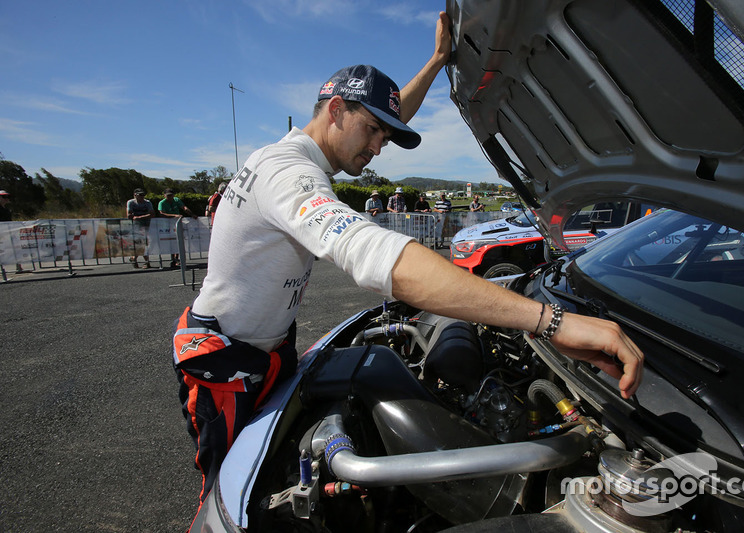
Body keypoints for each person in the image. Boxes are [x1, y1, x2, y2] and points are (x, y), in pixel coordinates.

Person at [171, 11, 643, 513]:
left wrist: (438, 60)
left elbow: (389, 117)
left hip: (265, 347)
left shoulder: (291, 155)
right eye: (373, 131)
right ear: (335, 110)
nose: (379, 148)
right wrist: (551, 322)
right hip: (226, 363)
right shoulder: (288, 176)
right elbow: (376, 255)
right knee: (233, 499)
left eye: (384, 136)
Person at [158, 188, 196, 268]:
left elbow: (184, 207)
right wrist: (174, 215)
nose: (170, 197)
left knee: (178, 240)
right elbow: (162, 214)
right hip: (167, 225)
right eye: (168, 196)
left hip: (176, 224)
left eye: (171, 195)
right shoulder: (162, 203)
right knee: (171, 242)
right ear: (164, 195)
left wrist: (191, 214)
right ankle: (173, 259)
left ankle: (176, 258)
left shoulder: (176, 200)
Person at [126, 188, 155, 268]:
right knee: (139, 244)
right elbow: (129, 215)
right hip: (135, 227)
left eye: (143, 195)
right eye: (140, 195)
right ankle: (143, 261)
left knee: (145, 244)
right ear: (135, 195)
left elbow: (152, 214)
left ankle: (135, 258)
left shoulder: (147, 202)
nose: (142, 197)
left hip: (146, 226)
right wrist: (139, 217)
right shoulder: (131, 202)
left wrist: (139, 217)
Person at [0, 190, 24, 273]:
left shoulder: (6, 209)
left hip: (8, 231)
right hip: (2, 233)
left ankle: (19, 266)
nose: (6, 199)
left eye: (7, 197)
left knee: (15, 248)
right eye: (4, 197)